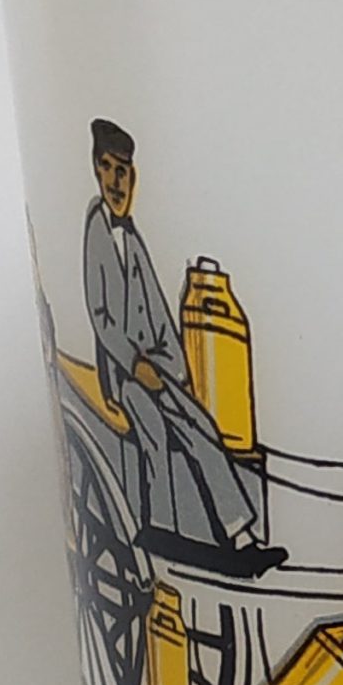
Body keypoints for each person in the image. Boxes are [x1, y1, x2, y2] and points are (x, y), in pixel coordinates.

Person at [82, 119, 283, 576]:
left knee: (202, 429)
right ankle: (160, 529)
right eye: (108, 169)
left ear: (133, 176)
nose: (116, 182)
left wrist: (176, 370)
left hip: (157, 368)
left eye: (123, 172)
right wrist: (133, 364)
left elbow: (156, 307)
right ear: (96, 170)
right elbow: (99, 314)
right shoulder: (97, 229)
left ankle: (241, 535)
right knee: (153, 430)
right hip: (124, 375)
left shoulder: (132, 237)